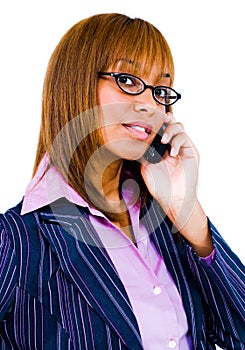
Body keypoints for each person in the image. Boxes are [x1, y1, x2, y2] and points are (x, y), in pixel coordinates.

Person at [0, 13, 244, 350]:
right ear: (77, 84)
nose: (148, 104)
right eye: (128, 80)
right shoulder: (16, 241)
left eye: (160, 89)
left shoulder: (166, 225)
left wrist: (186, 210)